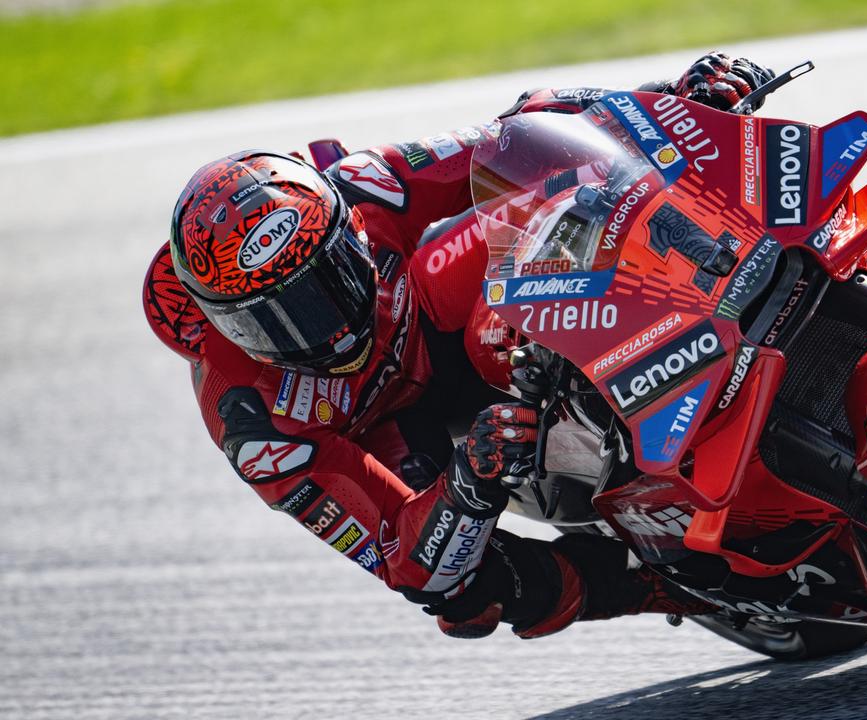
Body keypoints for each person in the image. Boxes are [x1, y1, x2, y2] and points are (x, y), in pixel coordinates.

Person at [143, 54, 775, 639]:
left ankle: (715, 285)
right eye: (277, 322)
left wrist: (671, 98)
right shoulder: (251, 423)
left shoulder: (363, 184)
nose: (326, 329)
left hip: (431, 316)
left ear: (348, 232)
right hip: (394, 427)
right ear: (223, 327)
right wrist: (467, 484)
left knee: (559, 182)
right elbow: (398, 556)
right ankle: (667, 587)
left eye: (330, 282)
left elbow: (517, 132)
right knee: (461, 597)